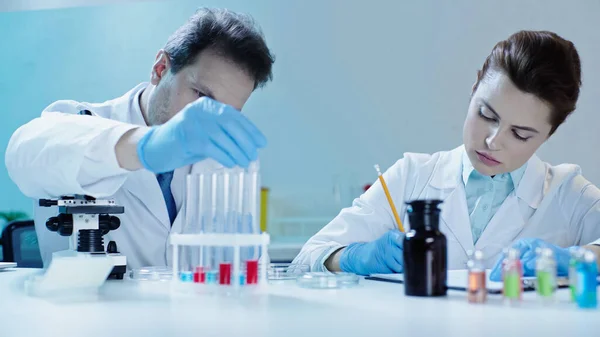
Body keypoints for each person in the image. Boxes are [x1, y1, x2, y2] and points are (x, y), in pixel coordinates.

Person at [292, 30, 600, 277]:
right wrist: (356, 257)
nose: (493, 141)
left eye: (519, 134)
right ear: (473, 89)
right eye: (486, 115)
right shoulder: (413, 175)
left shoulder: (568, 194)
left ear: (548, 134)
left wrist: (579, 258)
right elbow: (307, 257)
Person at [5, 8, 275, 269]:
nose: (209, 121)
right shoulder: (82, 119)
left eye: (227, 113)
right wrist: (144, 147)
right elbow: (23, 154)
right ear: (160, 68)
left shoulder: (225, 160)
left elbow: (245, 261)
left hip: (196, 315)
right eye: (201, 96)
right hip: (94, 314)